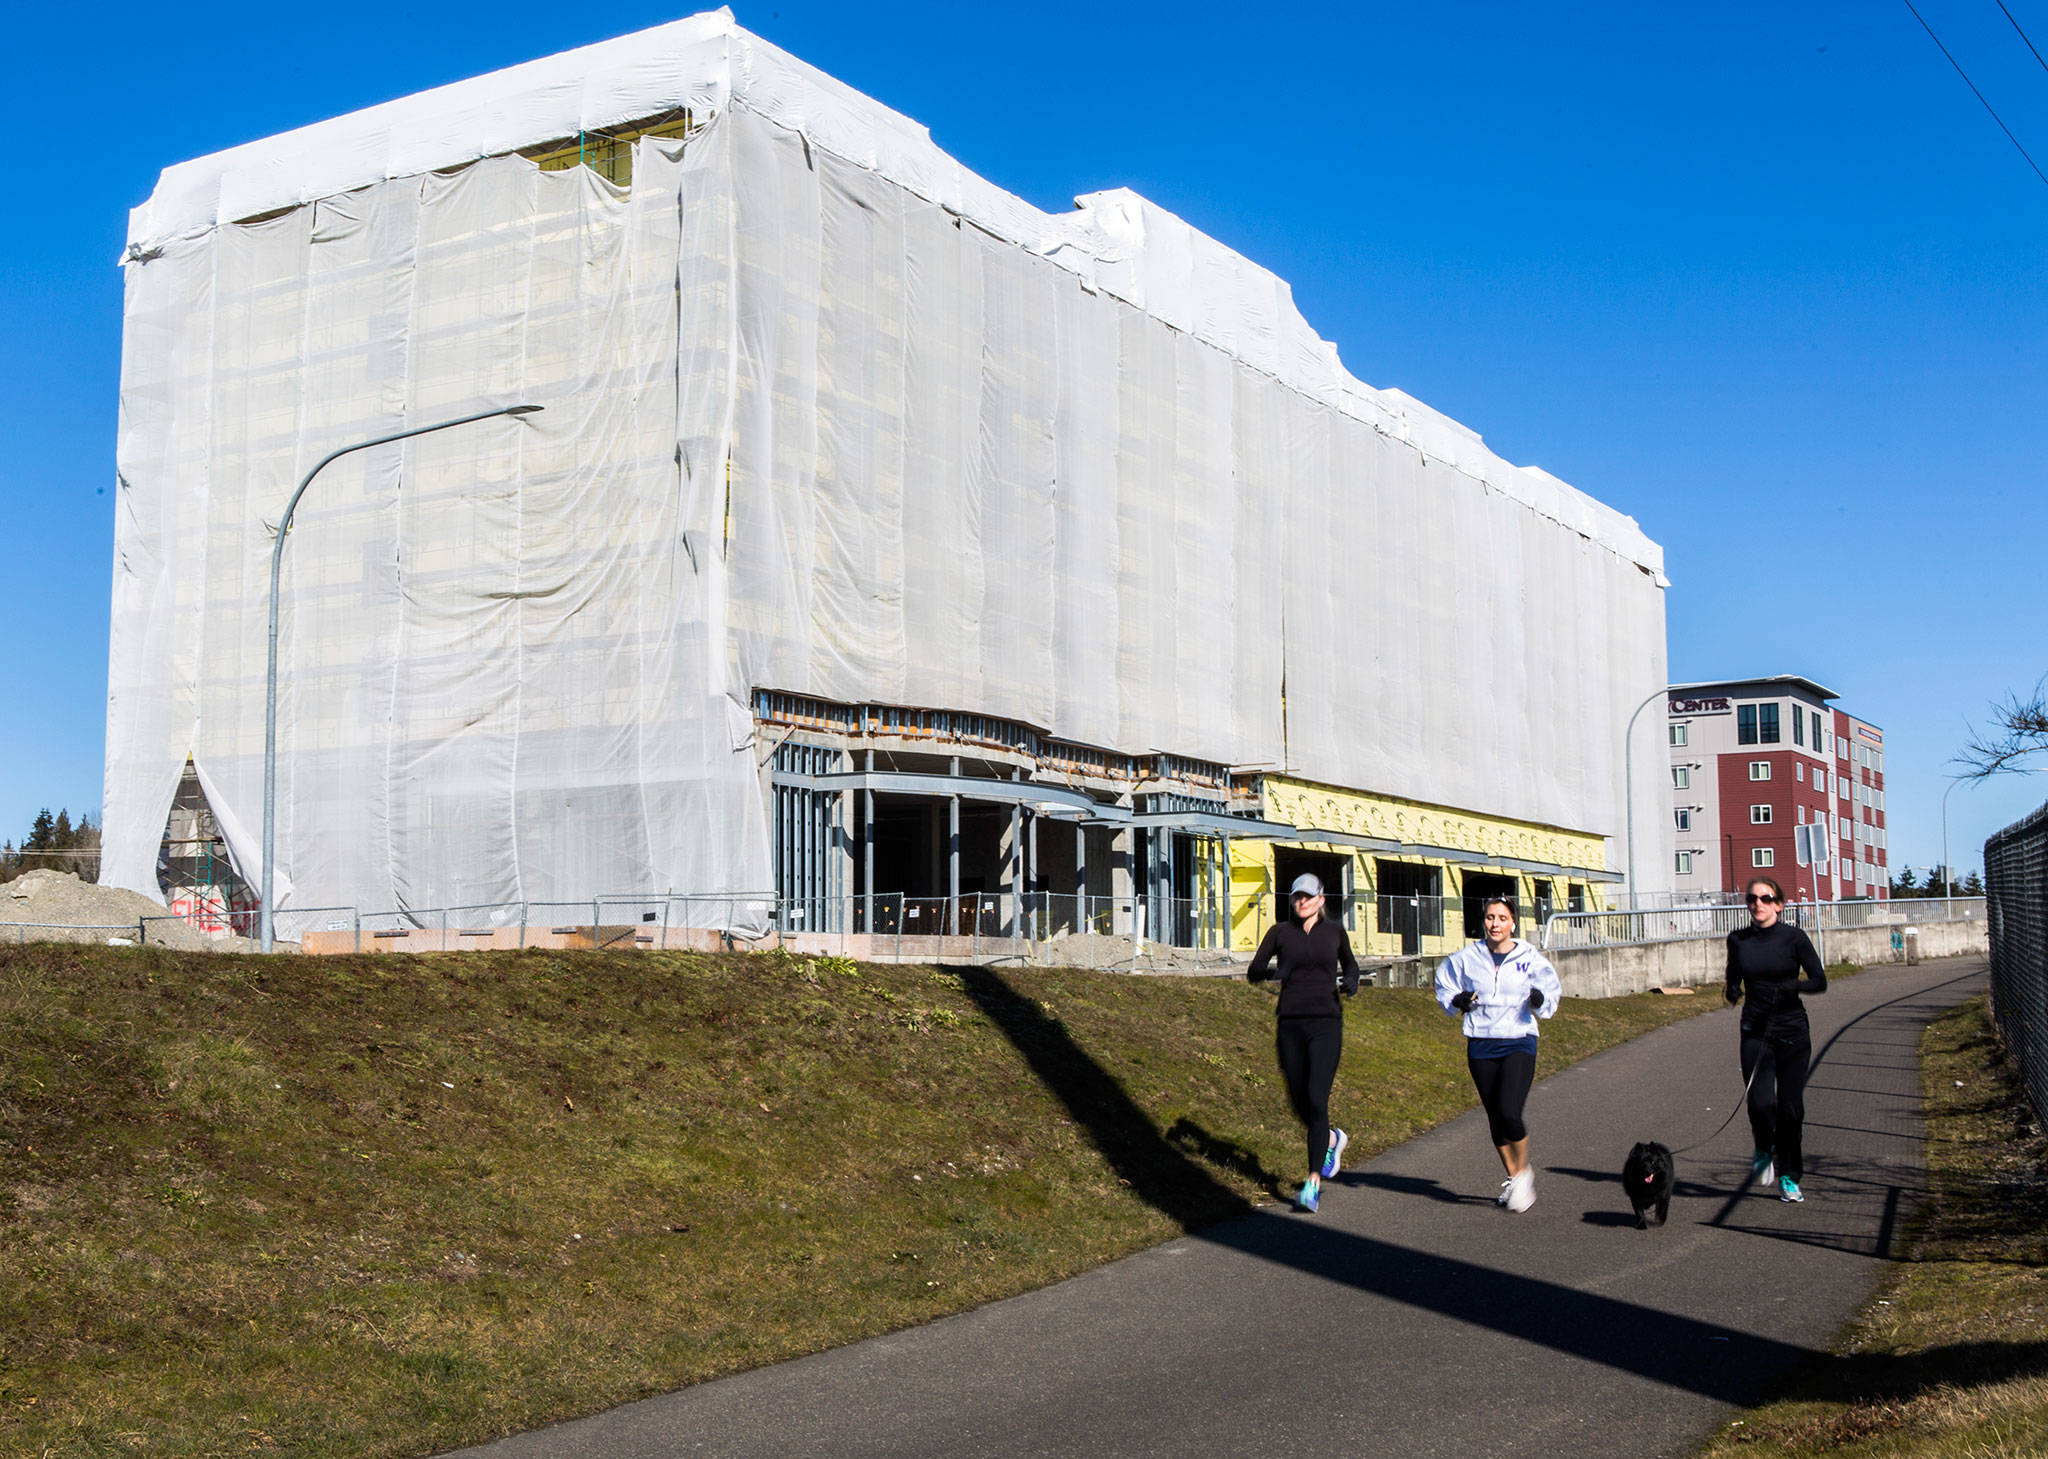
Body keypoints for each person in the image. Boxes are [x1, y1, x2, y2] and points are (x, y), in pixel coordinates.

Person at [1434, 895, 1562, 1213]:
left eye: (1502, 918)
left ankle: (1524, 1173)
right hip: (1481, 1042)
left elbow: (1551, 990)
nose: (1495, 924)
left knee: (1509, 1112)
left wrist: (1538, 998)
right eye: (1491, 918)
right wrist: (1458, 1000)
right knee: (1495, 1118)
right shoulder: (1468, 957)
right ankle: (1515, 1177)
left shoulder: (1529, 957)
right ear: (1484, 921)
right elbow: (1444, 983)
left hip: (1518, 1039)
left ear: (1513, 923)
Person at [1247, 873, 1361, 1213]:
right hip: (1290, 1024)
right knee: (1298, 1100)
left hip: (1326, 1022)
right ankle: (1330, 1139)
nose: (1302, 902)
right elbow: (1254, 970)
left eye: (1308, 897)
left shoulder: (1334, 932)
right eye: (1297, 896)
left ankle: (1312, 1182)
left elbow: (1350, 964)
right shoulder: (1279, 933)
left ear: (1321, 900)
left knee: (1316, 1096)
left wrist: (1351, 981)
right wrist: (1273, 974)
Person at [1725, 875, 1826, 1203]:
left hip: (1792, 1031)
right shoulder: (1738, 940)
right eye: (1752, 899)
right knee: (1761, 1103)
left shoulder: (1794, 938)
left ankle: (1790, 1176)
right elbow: (1733, 977)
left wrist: (1792, 987)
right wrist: (1732, 990)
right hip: (1755, 1031)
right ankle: (1763, 1149)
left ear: (1779, 905)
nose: (1758, 905)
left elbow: (1819, 981)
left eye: (1765, 899)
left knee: (1790, 1109)